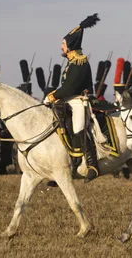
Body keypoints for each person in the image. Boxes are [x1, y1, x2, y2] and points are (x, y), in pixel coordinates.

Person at [44, 13, 100, 182]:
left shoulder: (79, 62)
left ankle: (92, 165)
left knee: (78, 129)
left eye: (63, 44)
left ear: (70, 46)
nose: (61, 47)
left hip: (78, 101)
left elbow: (70, 87)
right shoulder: (72, 61)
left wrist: (52, 96)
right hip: (69, 100)